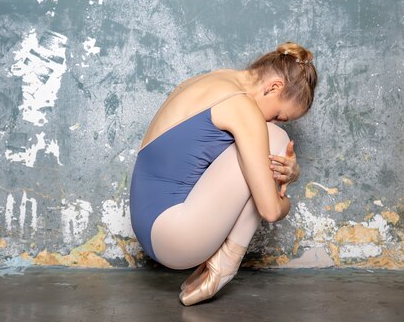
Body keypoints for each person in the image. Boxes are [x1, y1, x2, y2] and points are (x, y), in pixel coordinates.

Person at [129, 42, 318, 306]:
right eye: (279, 115)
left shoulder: (214, 79)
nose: (272, 121)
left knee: (260, 147)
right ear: (274, 87)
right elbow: (271, 211)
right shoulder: (241, 107)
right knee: (275, 139)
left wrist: (280, 170)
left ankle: (219, 261)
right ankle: (226, 264)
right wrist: (285, 197)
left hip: (148, 224)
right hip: (174, 236)